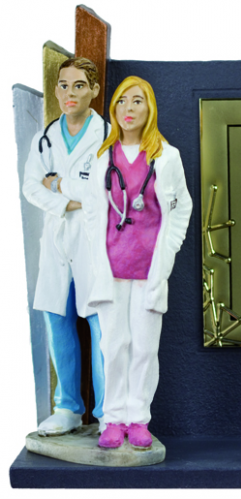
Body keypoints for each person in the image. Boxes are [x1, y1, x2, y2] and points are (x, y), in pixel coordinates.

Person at [83, 76, 192, 449]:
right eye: (121, 101)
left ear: (150, 109)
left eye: (137, 101)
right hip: (111, 269)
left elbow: (182, 207)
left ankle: (138, 420)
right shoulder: (103, 157)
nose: (128, 109)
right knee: (113, 346)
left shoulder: (166, 156)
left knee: (145, 348)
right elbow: (92, 213)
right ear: (113, 109)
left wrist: (170, 250)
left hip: (149, 268)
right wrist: (96, 258)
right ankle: (113, 419)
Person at [22, 57, 107, 435]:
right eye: (63, 85)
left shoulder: (106, 136)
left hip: (93, 240)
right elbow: (30, 187)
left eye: (78, 85)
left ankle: (107, 412)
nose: (69, 93)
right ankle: (68, 408)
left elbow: (103, 191)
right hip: (56, 241)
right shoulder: (46, 138)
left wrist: (58, 187)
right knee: (56, 319)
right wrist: (69, 202)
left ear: (94, 90)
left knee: (101, 324)